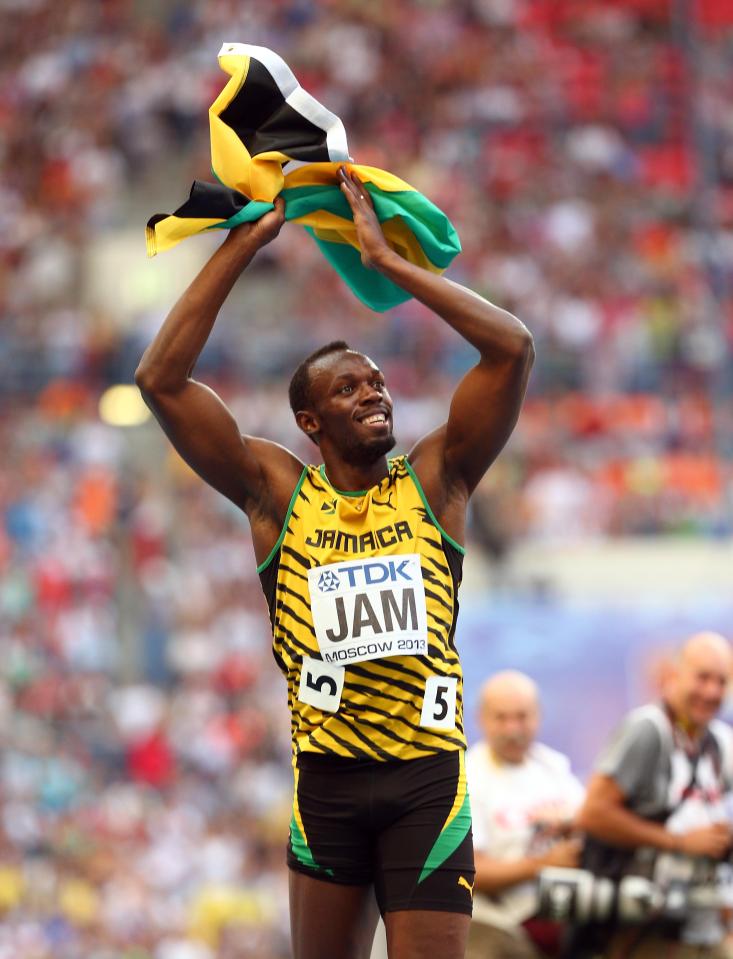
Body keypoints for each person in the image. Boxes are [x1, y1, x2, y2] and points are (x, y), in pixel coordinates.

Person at [135, 166, 535, 959]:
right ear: (310, 420)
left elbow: (512, 348)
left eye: (378, 382)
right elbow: (159, 380)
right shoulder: (277, 495)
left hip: (426, 778)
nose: (373, 393)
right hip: (327, 781)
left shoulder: (435, 477)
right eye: (349, 389)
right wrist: (243, 246)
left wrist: (389, 265)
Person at [574, 631, 733, 958]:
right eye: (702, 677)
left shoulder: (719, 741)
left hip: (704, 924)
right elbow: (593, 814)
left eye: (721, 681)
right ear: (675, 675)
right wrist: (679, 842)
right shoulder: (648, 730)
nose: (712, 691)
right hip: (648, 928)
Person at [465, 671, 584, 959]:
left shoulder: (553, 766)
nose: (512, 729)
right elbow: (471, 871)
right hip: (495, 924)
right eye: (501, 718)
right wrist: (542, 864)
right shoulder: (468, 775)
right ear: (481, 718)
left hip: (563, 916)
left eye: (522, 717)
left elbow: (591, 826)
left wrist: (571, 825)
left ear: (538, 716)